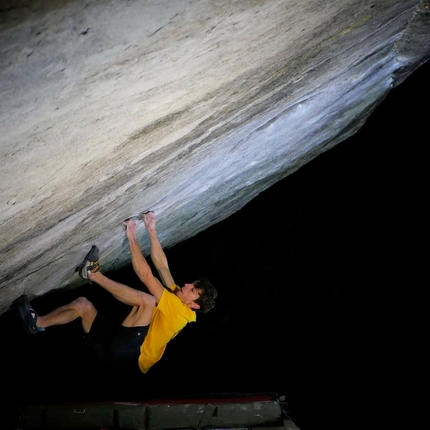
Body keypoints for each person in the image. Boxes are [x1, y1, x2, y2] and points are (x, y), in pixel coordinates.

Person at [16, 211, 217, 374]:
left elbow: (147, 276)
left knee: (147, 300)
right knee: (83, 305)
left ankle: (93, 274)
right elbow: (163, 268)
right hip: (114, 347)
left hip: (129, 355)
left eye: (193, 289)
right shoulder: (179, 299)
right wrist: (152, 231)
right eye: (192, 283)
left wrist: (132, 235)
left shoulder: (178, 312)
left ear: (195, 305)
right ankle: (37, 323)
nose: (187, 284)